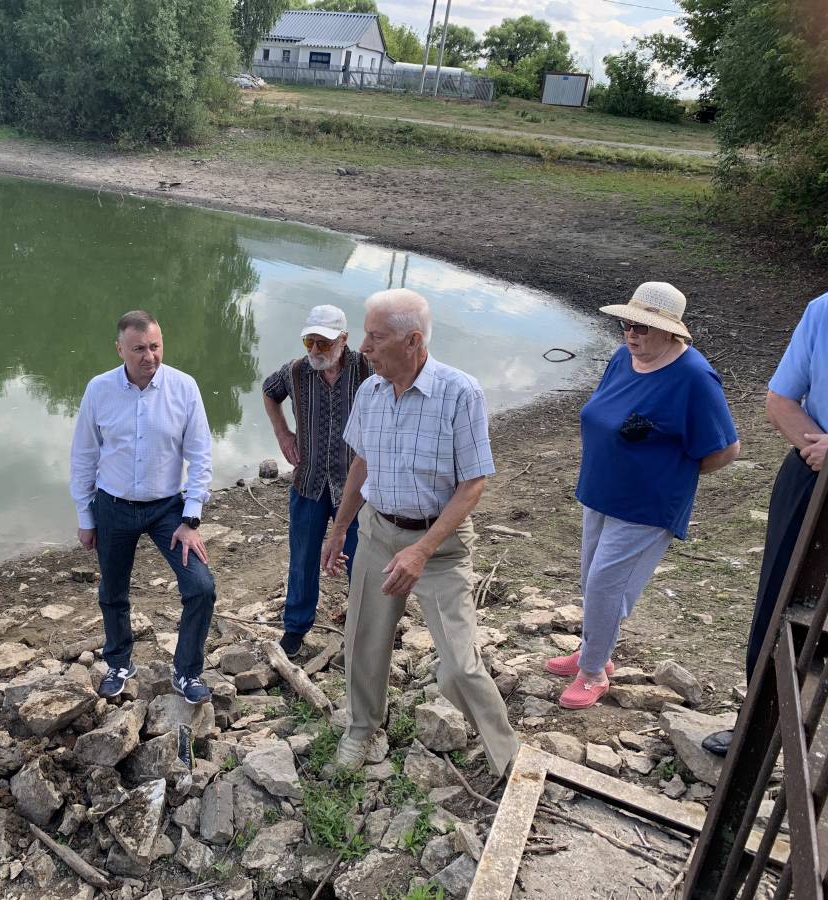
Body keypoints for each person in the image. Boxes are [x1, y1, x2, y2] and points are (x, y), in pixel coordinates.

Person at [322, 288, 519, 776]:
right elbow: (361, 465)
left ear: (413, 341)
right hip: (377, 534)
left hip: (441, 549)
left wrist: (422, 551)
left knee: (459, 665)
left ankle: (508, 759)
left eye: (376, 336)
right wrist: (339, 529)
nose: (363, 347)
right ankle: (362, 728)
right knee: (364, 641)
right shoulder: (369, 391)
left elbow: (474, 484)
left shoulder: (460, 393)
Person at [545, 282, 739, 710]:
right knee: (592, 579)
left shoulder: (694, 377)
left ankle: (593, 673)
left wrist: (669, 476)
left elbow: (726, 449)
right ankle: (595, 649)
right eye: (627, 324)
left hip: (646, 505)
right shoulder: (624, 357)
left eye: (643, 327)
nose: (631, 333)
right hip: (599, 490)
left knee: (606, 585)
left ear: (672, 332)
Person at [70, 310, 216, 705]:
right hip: (113, 506)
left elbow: (201, 454)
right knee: (112, 590)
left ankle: (187, 671)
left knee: (201, 587)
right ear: (120, 349)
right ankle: (119, 662)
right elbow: (84, 455)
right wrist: (86, 516)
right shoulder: (99, 390)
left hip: (169, 508)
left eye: (155, 346)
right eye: (138, 349)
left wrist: (191, 518)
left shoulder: (184, 388)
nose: (149, 356)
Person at [704, 291, 827, 756]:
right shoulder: (823, 310)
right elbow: (779, 401)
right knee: (778, 603)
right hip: (808, 470)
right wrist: (819, 453)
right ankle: (756, 729)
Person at [262, 305, 372, 657]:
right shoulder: (295, 372)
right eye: (310, 341)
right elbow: (269, 390)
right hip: (308, 483)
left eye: (323, 343)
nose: (314, 350)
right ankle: (295, 626)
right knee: (303, 557)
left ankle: (366, 628)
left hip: (355, 487)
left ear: (343, 340)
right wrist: (282, 433)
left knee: (360, 559)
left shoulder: (367, 369)